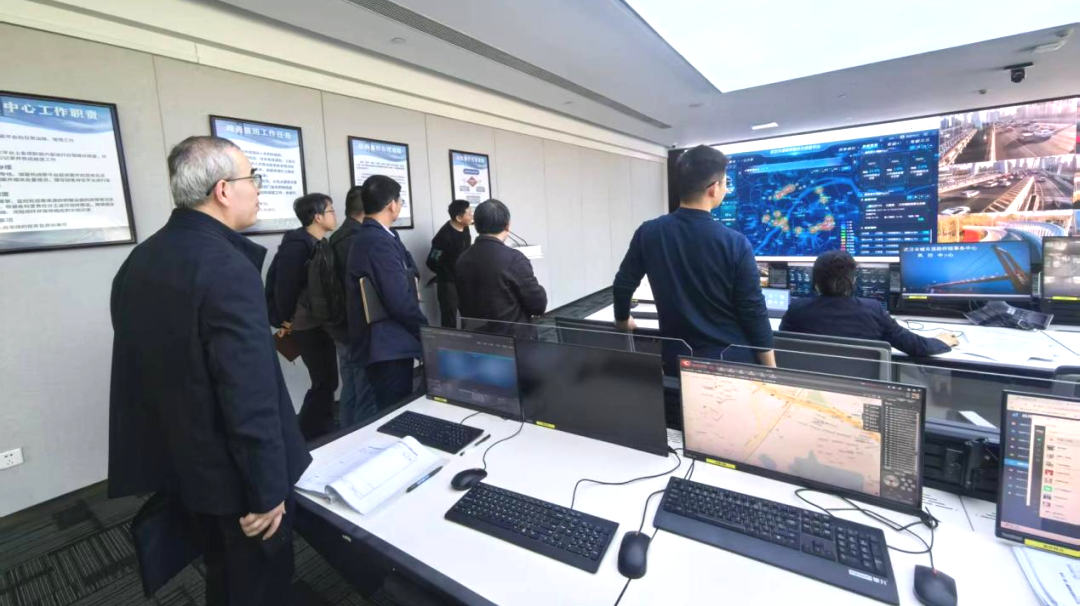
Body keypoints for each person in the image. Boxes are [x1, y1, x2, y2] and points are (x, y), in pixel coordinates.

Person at [109, 136, 310, 605]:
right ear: (223, 190)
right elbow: (248, 394)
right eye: (252, 179)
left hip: (184, 465)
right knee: (257, 585)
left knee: (222, 572)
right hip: (236, 478)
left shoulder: (142, 258)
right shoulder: (226, 268)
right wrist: (267, 491)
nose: (257, 189)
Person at [612, 145, 775, 368]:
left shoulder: (648, 232)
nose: (726, 189)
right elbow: (753, 312)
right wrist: (771, 370)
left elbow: (623, 283)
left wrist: (622, 320)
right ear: (713, 188)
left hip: (677, 361)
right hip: (729, 363)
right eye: (725, 183)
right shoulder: (736, 243)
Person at [346, 175, 428, 409]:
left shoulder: (383, 235)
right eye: (400, 200)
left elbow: (409, 267)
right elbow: (398, 300)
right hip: (386, 345)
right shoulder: (376, 240)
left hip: (390, 343)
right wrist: (425, 330)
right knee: (393, 408)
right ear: (392, 204)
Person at [780, 250, 960, 356]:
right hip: (861, 392)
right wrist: (941, 341)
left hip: (809, 389)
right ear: (853, 280)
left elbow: (782, 347)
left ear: (815, 281)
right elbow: (916, 346)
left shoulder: (797, 310)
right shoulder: (872, 309)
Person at [273, 193, 339, 440]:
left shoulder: (317, 242)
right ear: (317, 217)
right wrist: (286, 320)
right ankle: (310, 432)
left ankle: (320, 426)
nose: (335, 215)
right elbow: (285, 287)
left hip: (318, 321)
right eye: (330, 210)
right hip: (305, 324)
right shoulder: (298, 246)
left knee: (327, 380)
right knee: (324, 381)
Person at [455, 199, 547, 334]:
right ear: (507, 225)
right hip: (513, 339)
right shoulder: (514, 259)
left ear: (476, 226)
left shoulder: (462, 259)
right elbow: (538, 305)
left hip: (476, 337)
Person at [329, 185, 378, 427]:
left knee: (349, 384)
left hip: (339, 324)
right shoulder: (358, 240)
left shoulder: (336, 237)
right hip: (357, 325)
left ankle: (345, 431)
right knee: (365, 387)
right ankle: (361, 434)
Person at [426, 200, 473, 328]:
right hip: (448, 283)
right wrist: (447, 272)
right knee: (449, 317)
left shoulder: (465, 228)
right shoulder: (443, 237)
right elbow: (431, 262)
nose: (472, 216)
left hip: (463, 280)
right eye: (469, 213)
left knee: (468, 314)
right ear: (458, 218)